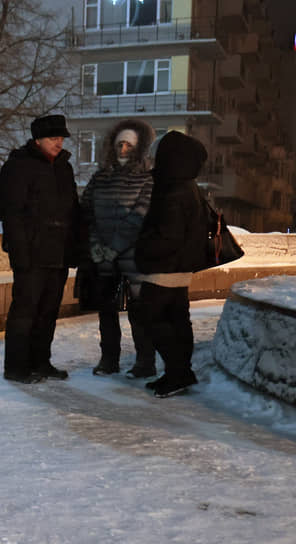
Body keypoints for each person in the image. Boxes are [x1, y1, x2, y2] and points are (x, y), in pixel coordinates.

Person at [0, 114, 81, 383]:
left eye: (61, 138)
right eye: (53, 138)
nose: (59, 143)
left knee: (48, 311)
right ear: (38, 140)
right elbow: (11, 214)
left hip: (58, 252)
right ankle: (17, 367)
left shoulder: (63, 168)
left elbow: (73, 209)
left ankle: (41, 362)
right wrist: (20, 252)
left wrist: (75, 246)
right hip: (31, 253)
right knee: (25, 311)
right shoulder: (19, 166)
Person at [133, 131, 209, 398]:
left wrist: (141, 250)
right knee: (178, 319)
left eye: (158, 156)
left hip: (163, 268)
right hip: (179, 267)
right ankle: (179, 372)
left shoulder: (173, 190)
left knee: (152, 318)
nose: (153, 161)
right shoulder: (188, 186)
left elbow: (168, 235)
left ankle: (178, 373)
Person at [80, 119, 157, 378]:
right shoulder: (100, 178)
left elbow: (140, 216)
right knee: (107, 311)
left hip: (133, 257)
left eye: (128, 145)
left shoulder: (147, 179)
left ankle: (145, 361)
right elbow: (86, 212)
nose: (123, 149)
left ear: (138, 148)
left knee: (139, 311)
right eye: (119, 144)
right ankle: (108, 359)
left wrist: (114, 247)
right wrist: (96, 246)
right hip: (102, 256)